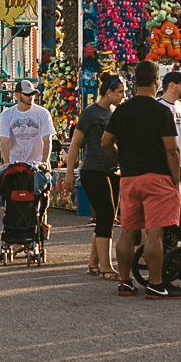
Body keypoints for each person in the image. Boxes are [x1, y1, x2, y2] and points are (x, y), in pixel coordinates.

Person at [102, 61, 181, 300]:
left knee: (127, 232)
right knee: (154, 234)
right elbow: (172, 150)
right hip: (157, 177)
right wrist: (176, 180)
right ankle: (156, 284)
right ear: (156, 81)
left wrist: (121, 161)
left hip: (129, 178)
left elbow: (106, 142)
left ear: (135, 81)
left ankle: (125, 281)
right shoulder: (162, 111)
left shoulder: (122, 110)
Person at [62, 73, 124, 278]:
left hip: (113, 171)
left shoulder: (115, 113)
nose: (123, 96)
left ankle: (93, 264)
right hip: (93, 171)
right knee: (105, 216)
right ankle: (106, 267)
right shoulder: (90, 113)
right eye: (120, 92)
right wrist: (69, 174)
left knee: (108, 218)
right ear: (109, 92)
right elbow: (75, 144)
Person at [0, 80, 52, 174]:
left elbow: (47, 140)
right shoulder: (7, 115)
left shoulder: (43, 113)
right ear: (17, 95)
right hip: (16, 164)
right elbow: (4, 140)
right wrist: (6, 162)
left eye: (33, 94)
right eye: (27, 94)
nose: (31, 97)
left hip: (37, 165)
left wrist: (44, 162)